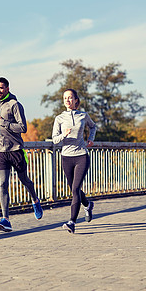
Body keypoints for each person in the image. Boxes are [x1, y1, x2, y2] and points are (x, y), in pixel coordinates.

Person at [0, 77, 43, 232]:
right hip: (1, 151)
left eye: (0, 88)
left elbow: (23, 127)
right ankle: (5, 219)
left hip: (16, 150)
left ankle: (35, 200)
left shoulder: (15, 105)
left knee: (24, 179)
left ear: (7, 88)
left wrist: (4, 123)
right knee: (2, 184)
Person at [52, 88, 96, 234]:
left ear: (76, 100)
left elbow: (93, 126)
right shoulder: (59, 118)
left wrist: (90, 139)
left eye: (70, 98)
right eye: (65, 98)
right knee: (73, 189)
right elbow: (54, 140)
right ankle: (88, 205)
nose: (67, 100)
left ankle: (72, 222)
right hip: (66, 157)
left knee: (76, 189)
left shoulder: (83, 116)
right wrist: (63, 135)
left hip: (81, 155)